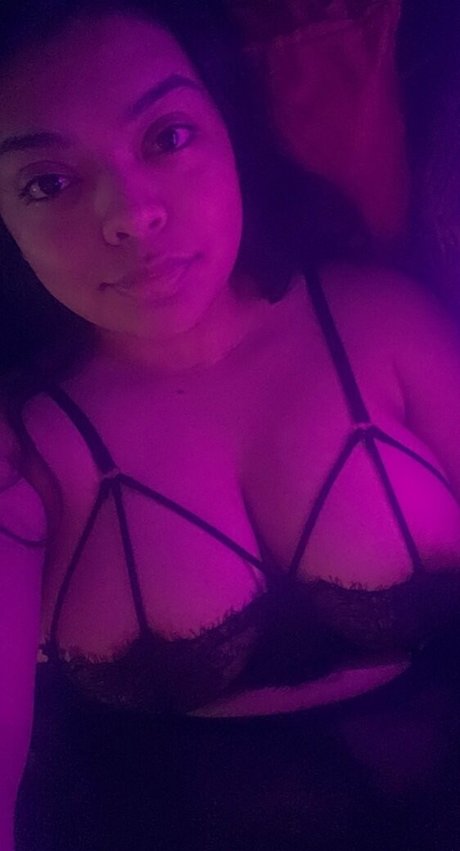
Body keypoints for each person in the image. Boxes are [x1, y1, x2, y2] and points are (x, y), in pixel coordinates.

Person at [1, 1, 460, 849]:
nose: (130, 214)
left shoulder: (387, 325)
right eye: (48, 183)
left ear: (231, 131)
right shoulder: (26, 451)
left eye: (168, 137)